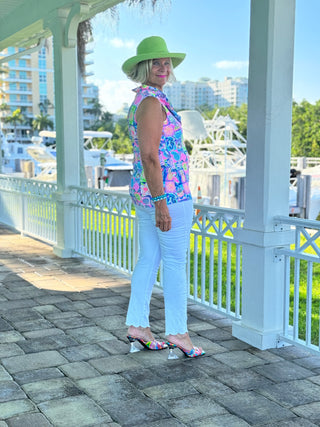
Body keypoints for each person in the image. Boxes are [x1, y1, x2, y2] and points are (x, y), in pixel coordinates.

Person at [122, 36, 205, 358]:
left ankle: (139, 327)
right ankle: (178, 334)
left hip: (150, 195)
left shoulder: (146, 100)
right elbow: (150, 155)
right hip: (166, 196)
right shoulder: (152, 103)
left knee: (149, 259)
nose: (163, 67)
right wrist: (162, 204)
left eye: (166, 62)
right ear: (143, 67)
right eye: (156, 62)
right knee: (174, 263)